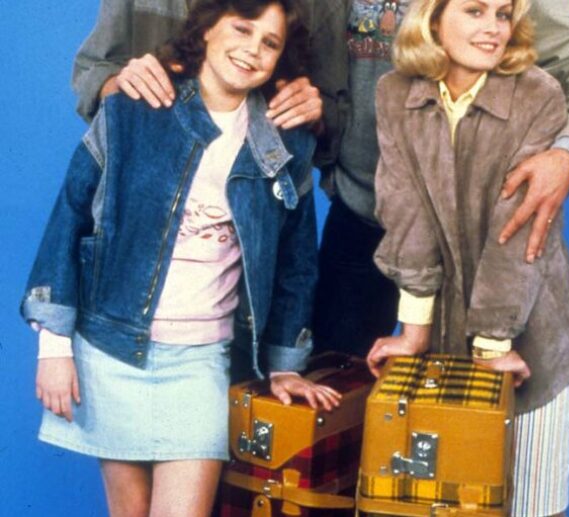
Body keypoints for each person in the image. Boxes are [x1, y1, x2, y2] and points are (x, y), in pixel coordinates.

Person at [72, 0, 569, 357]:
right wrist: (301, 102)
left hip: (485, 244)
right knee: (337, 444)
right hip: (363, 227)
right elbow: (231, 51)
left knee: (488, 448)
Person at [21, 1, 340, 515]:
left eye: (270, 43)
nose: (252, 50)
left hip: (201, 360)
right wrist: (53, 348)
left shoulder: (286, 141)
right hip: (112, 348)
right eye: (242, 29)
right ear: (207, 29)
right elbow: (69, 218)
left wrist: (285, 366)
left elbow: (296, 266)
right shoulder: (133, 109)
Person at [365, 0, 569, 515]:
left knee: (529, 503)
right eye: (474, 11)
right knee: (451, 501)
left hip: (531, 339)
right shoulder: (394, 92)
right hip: (442, 334)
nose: (493, 29)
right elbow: (405, 211)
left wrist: (491, 346)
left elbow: (518, 232)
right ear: (433, 18)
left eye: (503, 15)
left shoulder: (539, 94)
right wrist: (414, 331)